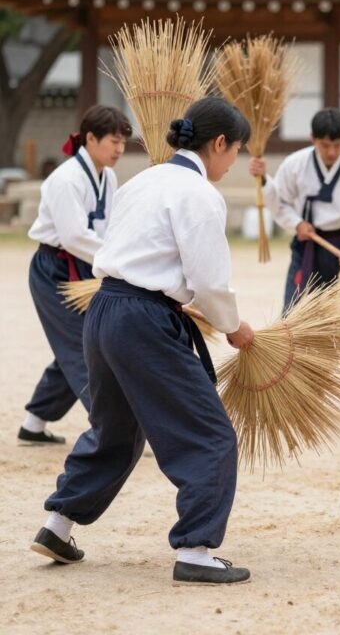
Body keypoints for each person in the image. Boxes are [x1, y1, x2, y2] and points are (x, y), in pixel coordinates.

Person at [31, 98, 254, 586]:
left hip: (106, 310)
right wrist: (233, 326)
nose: (234, 161)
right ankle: (195, 549)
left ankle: (58, 524)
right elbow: (209, 280)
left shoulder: (142, 179)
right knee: (210, 434)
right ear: (219, 144)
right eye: (235, 150)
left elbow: (126, 252)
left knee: (116, 429)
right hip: (144, 321)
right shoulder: (199, 194)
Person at [250, 107, 340, 416]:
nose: (332, 152)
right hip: (308, 248)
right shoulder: (295, 164)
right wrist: (294, 221)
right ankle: (296, 390)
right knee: (295, 317)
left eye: (338, 145)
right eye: (325, 145)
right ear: (313, 140)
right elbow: (278, 200)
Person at [20, 106, 131, 445]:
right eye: (114, 141)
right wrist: (117, 262)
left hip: (87, 267)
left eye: (123, 142)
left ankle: (33, 424)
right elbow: (72, 237)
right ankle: (113, 431)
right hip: (54, 270)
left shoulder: (108, 177)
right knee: (86, 349)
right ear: (91, 138)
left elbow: (109, 225)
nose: (120, 149)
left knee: (83, 344)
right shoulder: (65, 179)